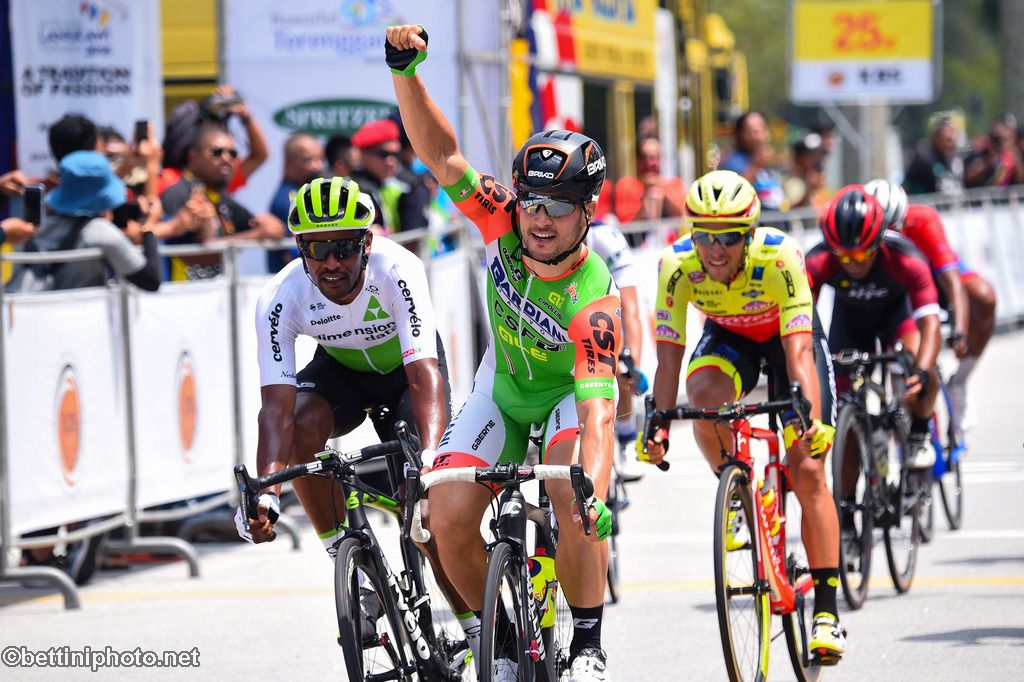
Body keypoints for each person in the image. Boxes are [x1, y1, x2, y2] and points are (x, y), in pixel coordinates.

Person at [388, 24, 620, 681]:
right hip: (504, 392)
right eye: (531, 204)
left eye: (559, 207)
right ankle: (510, 639)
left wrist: (596, 490)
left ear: (588, 211)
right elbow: (445, 157)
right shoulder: (501, 220)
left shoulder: (593, 300)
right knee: (442, 519)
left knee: (575, 498)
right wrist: (404, 74)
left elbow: (599, 417)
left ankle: (586, 643)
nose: (539, 220)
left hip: (569, 403)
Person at [235, 176, 465, 628]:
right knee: (300, 422)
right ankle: (351, 563)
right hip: (341, 373)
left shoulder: (398, 268)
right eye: (317, 250)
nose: (331, 263)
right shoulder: (280, 297)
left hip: (405, 376)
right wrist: (266, 491)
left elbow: (423, 374)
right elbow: (276, 408)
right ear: (300, 249)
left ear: (367, 241)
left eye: (343, 247)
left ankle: (480, 630)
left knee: (428, 521)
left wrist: (431, 464)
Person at [642, 169, 845, 662]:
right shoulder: (676, 266)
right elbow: (669, 358)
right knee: (702, 393)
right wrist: (659, 422)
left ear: (749, 235)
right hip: (732, 339)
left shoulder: (780, 257)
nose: (715, 250)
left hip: (786, 341)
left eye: (729, 238)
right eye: (704, 236)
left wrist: (809, 421)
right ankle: (734, 486)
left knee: (809, 467)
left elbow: (799, 356)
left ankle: (826, 610)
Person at [805, 185, 941, 472]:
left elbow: (930, 325)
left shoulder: (906, 259)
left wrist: (923, 370)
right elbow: (801, 325)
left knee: (919, 366)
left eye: (861, 255)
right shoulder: (818, 261)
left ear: (879, 242)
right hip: (850, 321)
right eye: (843, 257)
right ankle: (848, 506)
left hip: (896, 316)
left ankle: (918, 431)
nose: (852, 263)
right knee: (843, 405)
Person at [864, 179, 997, 438]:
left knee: (984, 296)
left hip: (931, 278)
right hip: (894, 286)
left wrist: (959, 329)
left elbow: (953, 282)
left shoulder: (923, 220)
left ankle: (958, 383)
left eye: (895, 228)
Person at [9, 150, 162, 293]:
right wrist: (149, 227)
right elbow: (151, 280)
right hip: (75, 318)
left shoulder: (29, 225)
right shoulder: (99, 231)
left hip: (23, 315)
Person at [161, 123, 285, 279]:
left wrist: (266, 224)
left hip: (220, 297)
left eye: (232, 153)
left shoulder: (221, 198)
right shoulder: (176, 194)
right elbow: (191, 256)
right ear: (193, 156)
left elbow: (260, 226)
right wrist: (256, 235)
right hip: (181, 298)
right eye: (217, 152)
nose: (226, 159)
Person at [350, 117, 430, 233]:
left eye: (396, 154)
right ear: (362, 154)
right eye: (384, 154)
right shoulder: (354, 190)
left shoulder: (392, 185)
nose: (391, 161)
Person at [267, 132, 325, 271]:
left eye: (320, 159)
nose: (317, 166)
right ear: (288, 162)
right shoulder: (287, 200)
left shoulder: (306, 193)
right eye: (308, 160)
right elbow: (292, 251)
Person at [720, 111, 786, 211]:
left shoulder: (771, 161)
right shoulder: (732, 162)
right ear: (739, 135)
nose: (756, 135)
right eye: (750, 131)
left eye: (760, 129)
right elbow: (731, 195)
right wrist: (756, 166)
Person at [904, 115, 964, 197]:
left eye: (952, 140)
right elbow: (907, 185)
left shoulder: (956, 158)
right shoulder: (923, 160)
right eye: (947, 140)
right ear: (935, 138)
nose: (951, 144)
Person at [783, 132, 829, 210]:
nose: (816, 159)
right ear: (799, 157)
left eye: (818, 154)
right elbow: (792, 209)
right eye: (811, 155)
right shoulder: (792, 180)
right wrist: (810, 189)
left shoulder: (815, 177)